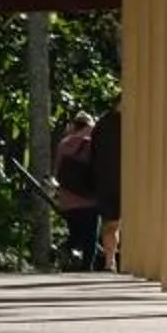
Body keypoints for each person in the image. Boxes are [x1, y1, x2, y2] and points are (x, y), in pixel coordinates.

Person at [53, 110, 98, 268]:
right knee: (90, 237)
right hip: (90, 198)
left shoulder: (64, 144)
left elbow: (58, 171)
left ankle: (64, 250)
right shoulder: (94, 143)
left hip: (68, 198)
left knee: (75, 234)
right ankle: (87, 267)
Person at [90, 102, 122, 272]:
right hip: (111, 181)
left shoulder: (102, 124)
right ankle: (110, 261)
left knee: (112, 224)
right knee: (111, 224)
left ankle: (112, 261)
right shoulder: (104, 124)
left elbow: (93, 152)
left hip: (109, 180)